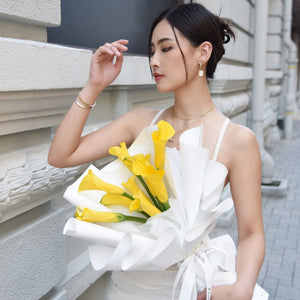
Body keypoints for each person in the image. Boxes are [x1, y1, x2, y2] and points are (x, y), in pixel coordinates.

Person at [48, 3, 266, 299]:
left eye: (165, 49)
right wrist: (93, 85)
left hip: (191, 288)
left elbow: (252, 232)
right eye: (152, 50)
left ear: (203, 52)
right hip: (130, 288)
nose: (154, 61)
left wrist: (242, 288)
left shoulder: (237, 140)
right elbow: (61, 156)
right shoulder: (140, 122)